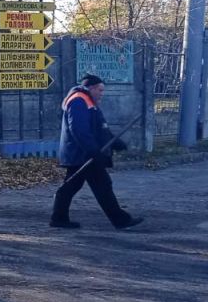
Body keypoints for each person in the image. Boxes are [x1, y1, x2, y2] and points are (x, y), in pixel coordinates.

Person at [51, 74, 144, 230]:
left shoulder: (87, 101)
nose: (102, 93)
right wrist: (93, 151)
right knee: (102, 185)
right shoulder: (79, 101)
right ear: (92, 88)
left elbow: (100, 128)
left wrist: (114, 142)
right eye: (100, 90)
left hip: (83, 154)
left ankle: (58, 218)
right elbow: (79, 130)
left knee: (72, 186)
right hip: (83, 154)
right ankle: (120, 220)